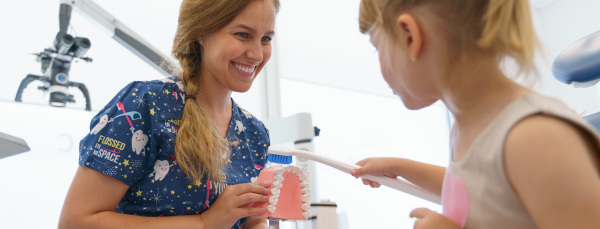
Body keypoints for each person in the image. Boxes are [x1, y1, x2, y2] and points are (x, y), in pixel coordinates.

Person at [349, 0, 600, 228]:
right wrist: (399, 167)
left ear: (410, 36)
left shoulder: (534, 137)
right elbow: (481, 190)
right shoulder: (468, 127)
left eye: (376, 46)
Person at [58, 0, 279, 228]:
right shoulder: (144, 106)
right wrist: (204, 223)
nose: (256, 54)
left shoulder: (255, 132)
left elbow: (253, 221)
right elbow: (76, 222)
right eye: (243, 34)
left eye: (266, 39)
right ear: (201, 32)